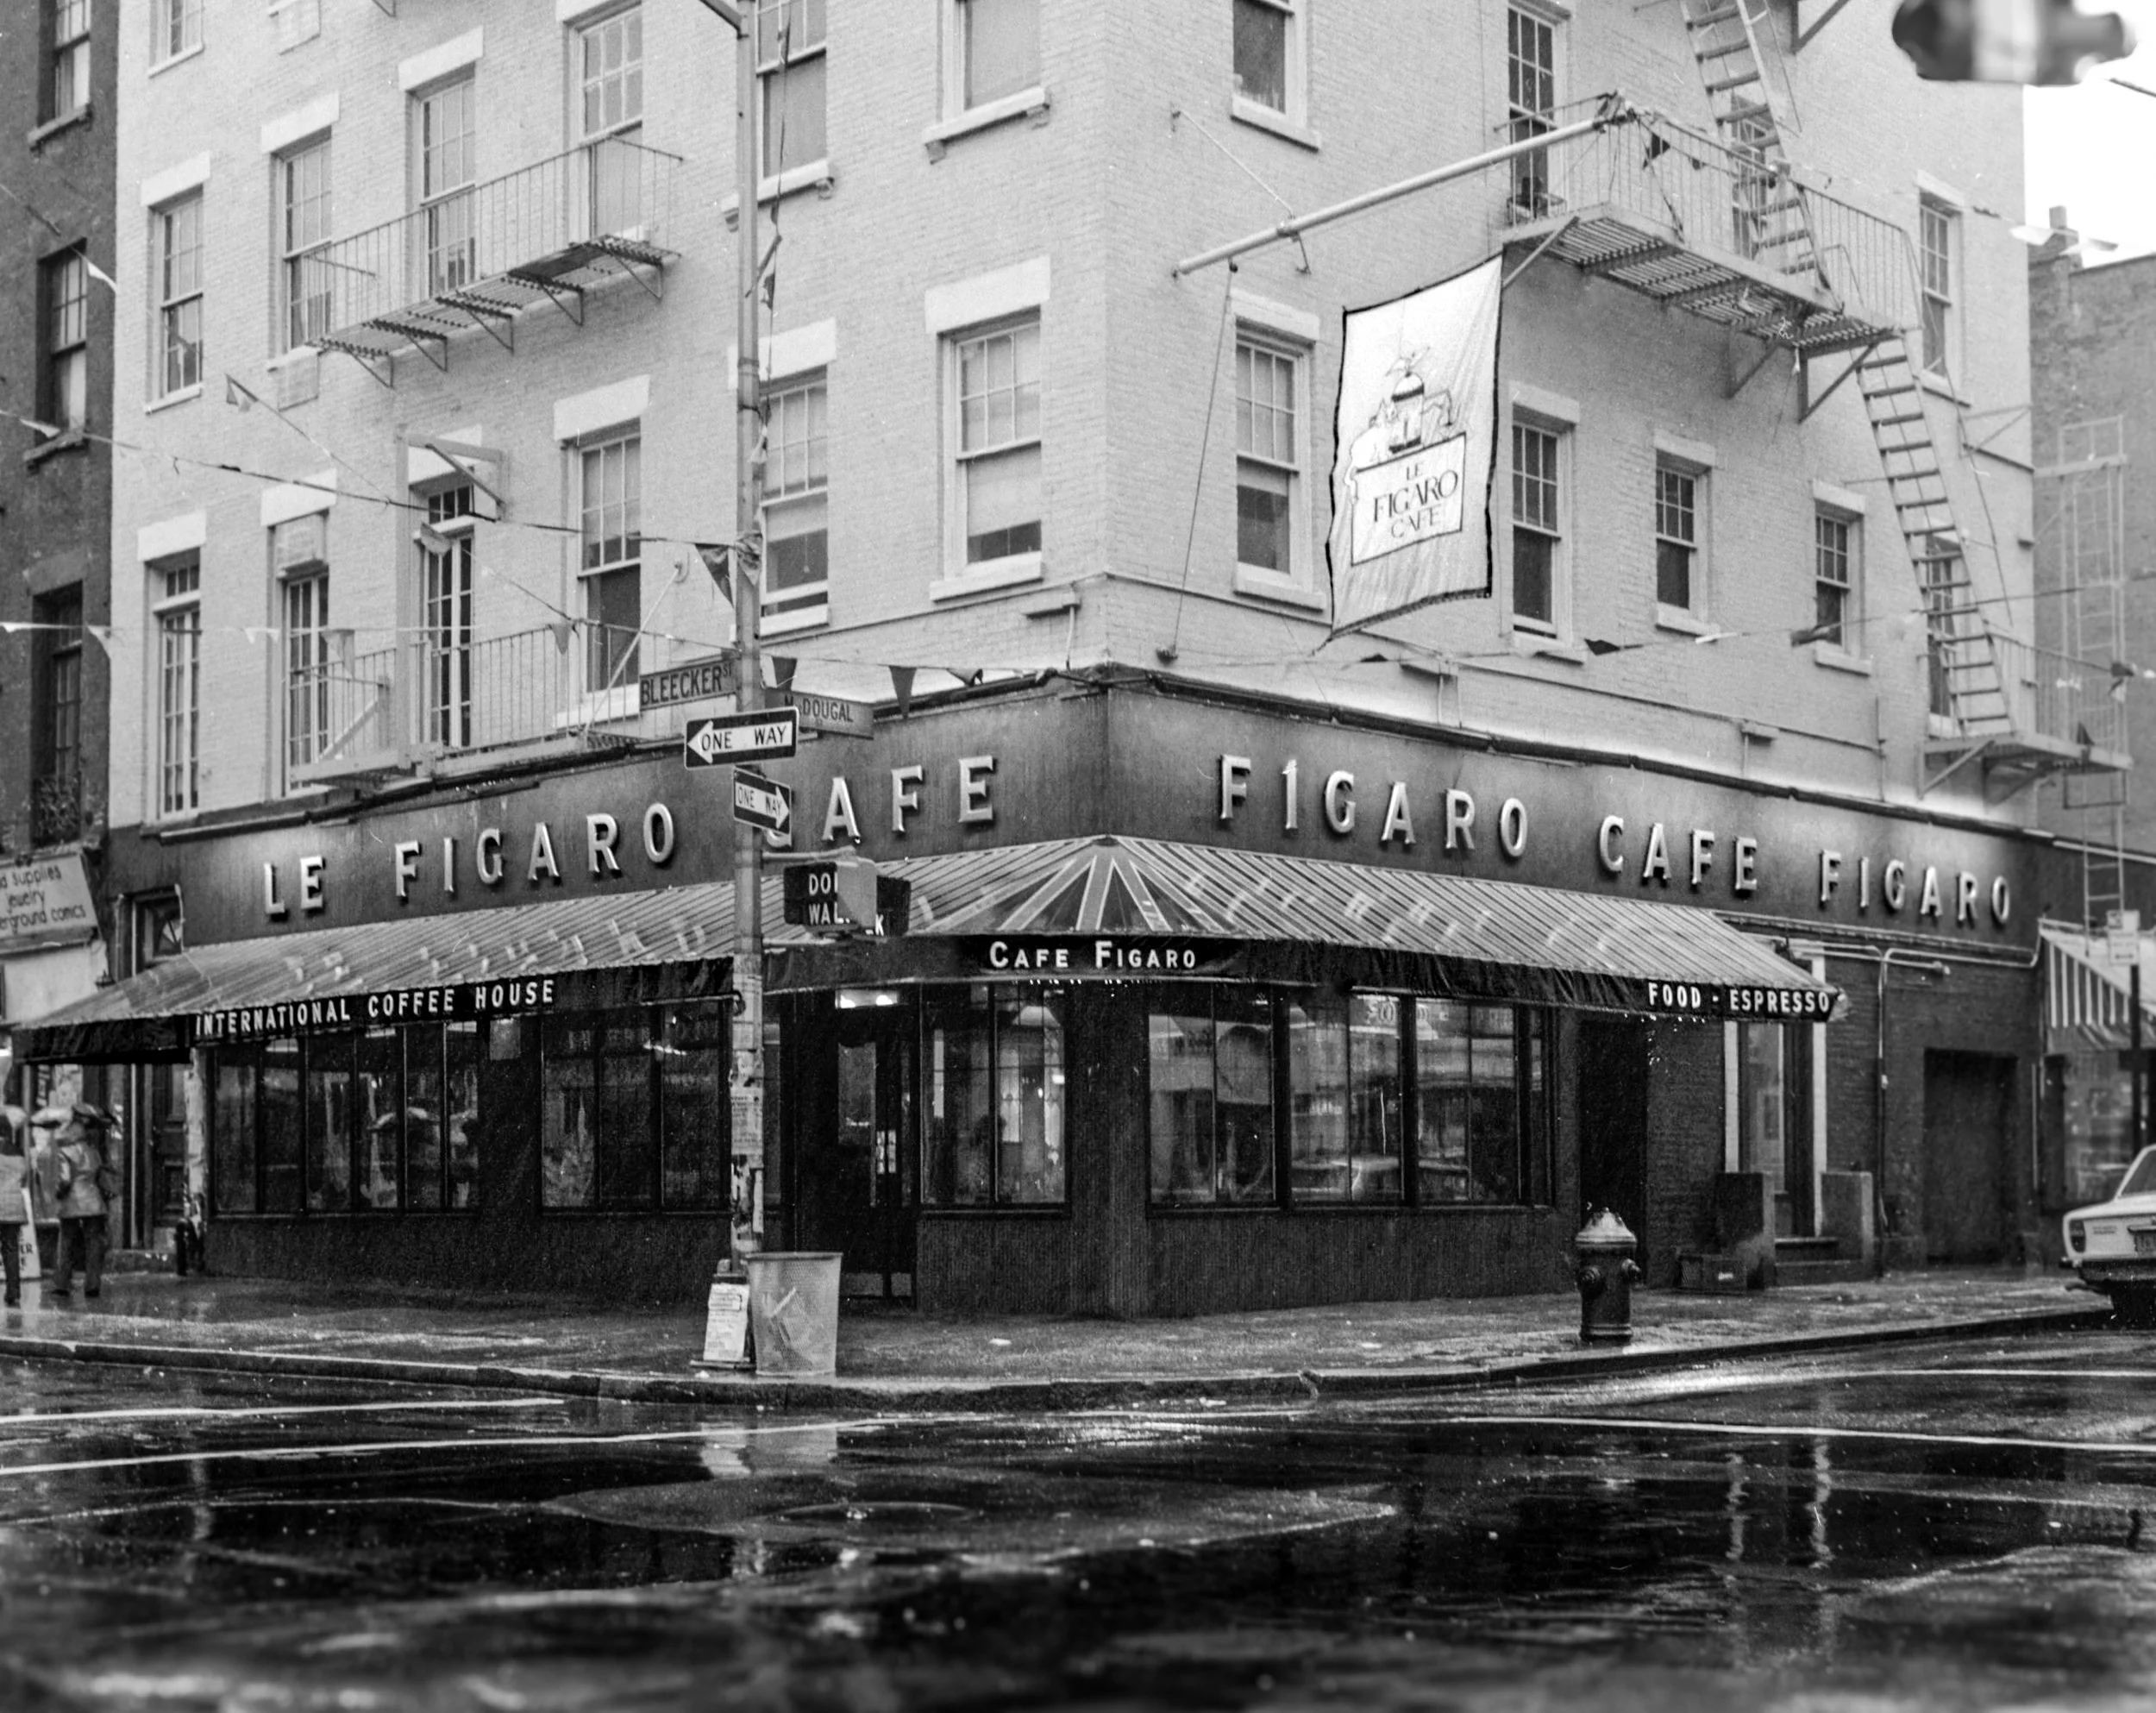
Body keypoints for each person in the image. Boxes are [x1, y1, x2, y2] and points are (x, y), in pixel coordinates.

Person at [51, 1102, 114, 1301]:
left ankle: (62, 1283)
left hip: (71, 1203)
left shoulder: (65, 1152)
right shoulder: (93, 1151)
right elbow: (98, 1176)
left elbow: (65, 1180)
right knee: (94, 1245)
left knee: (67, 1242)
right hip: (94, 1203)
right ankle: (93, 1285)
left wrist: (58, 1194)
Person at [0, 1108, 28, 1308]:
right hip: (15, 1207)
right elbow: (23, 1179)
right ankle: (14, 1292)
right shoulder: (19, 1153)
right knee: (11, 1250)